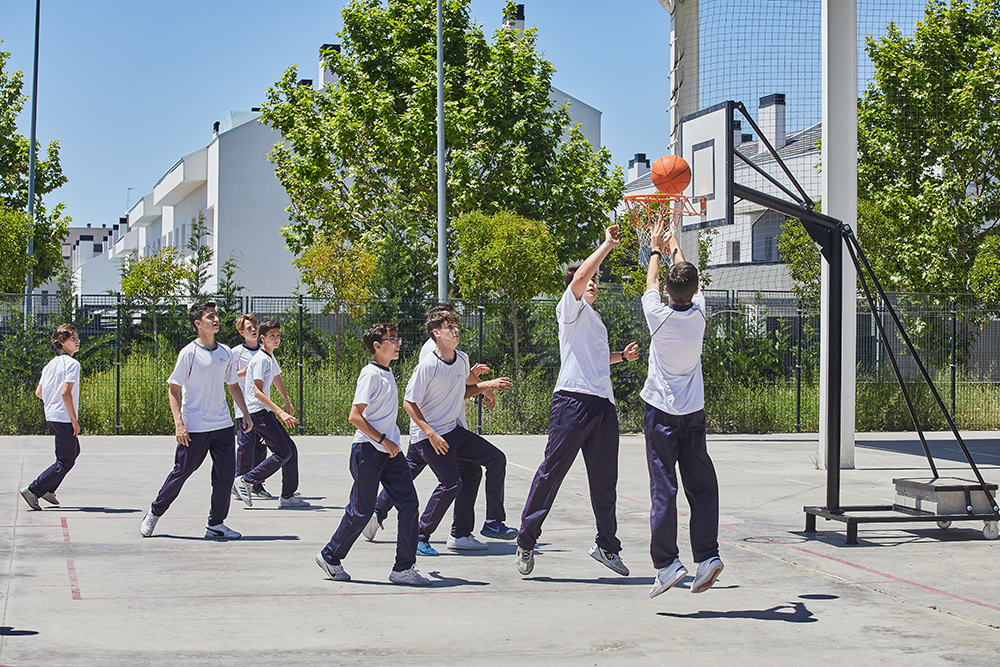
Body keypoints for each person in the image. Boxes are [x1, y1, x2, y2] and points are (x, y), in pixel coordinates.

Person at [516, 224, 640, 577]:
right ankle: (526, 540)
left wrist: (622, 358)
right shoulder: (568, 309)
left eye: (596, 283)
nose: (593, 284)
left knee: (605, 480)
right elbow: (583, 273)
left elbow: (596, 360)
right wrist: (607, 246)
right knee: (552, 472)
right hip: (572, 401)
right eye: (588, 281)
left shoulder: (595, 320)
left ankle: (606, 546)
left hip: (602, 404)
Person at [365, 303, 516, 544]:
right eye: (449, 326)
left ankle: (473, 528)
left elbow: (461, 382)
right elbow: (411, 400)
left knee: (470, 468)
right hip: (429, 431)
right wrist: (430, 432)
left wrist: (484, 385)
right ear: (436, 330)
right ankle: (425, 534)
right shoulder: (429, 357)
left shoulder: (460, 357)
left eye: (456, 326)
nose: (455, 330)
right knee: (451, 481)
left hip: (450, 428)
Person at [642, 223, 723, 597]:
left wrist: (656, 248)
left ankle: (668, 564)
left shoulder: (658, 316)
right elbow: (684, 277)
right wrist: (675, 243)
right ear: (694, 290)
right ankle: (707, 557)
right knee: (702, 486)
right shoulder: (701, 312)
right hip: (693, 413)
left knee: (665, 489)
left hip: (661, 412)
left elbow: (652, 285)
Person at [316, 323, 431, 586]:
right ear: (377, 346)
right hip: (368, 450)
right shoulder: (370, 374)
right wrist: (382, 440)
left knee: (409, 504)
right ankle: (330, 556)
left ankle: (403, 568)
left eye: (397, 337)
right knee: (361, 512)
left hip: (390, 453)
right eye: (392, 339)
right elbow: (354, 416)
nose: (398, 342)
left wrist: (391, 443)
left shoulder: (387, 373)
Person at [140, 302, 252, 539]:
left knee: (224, 478)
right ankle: (154, 512)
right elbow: (173, 389)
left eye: (216, 315)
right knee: (181, 472)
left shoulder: (225, 353)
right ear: (198, 324)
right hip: (195, 427)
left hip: (222, 425)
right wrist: (179, 423)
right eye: (210, 316)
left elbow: (233, 385)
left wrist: (245, 413)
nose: (216, 319)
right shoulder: (189, 353)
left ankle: (215, 524)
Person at [233, 319, 309, 508]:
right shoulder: (259, 359)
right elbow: (256, 392)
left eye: (278, 335)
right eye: (272, 336)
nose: (276, 339)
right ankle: (246, 480)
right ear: (263, 338)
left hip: (264, 412)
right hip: (258, 412)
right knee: (282, 452)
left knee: (290, 449)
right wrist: (281, 412)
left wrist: (286, 399)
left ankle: (288, 496)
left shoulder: (268, 357)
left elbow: (276, 377)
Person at [20, 324, 82, 511]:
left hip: (52, 415)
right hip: (63, 417)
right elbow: (66, 393)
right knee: (65, 460)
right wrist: (74, 419)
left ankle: (49, 489)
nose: (78, 341)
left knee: (73, 452)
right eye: (73, 339)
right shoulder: (72, 364)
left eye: (77, 337)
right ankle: (34, 489)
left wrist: (52, 403)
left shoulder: (49, 365)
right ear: (62, 342)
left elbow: (39, 392)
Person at [229, 314, 272, 500]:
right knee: (246, 446)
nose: (253, 329)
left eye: (254, 326)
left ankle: (256, 483)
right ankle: (238, 483)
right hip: (245, 407)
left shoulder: (265, 351)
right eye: (249, 328)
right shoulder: (236, 353)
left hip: (261, 407)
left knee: (262, 447)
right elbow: (228, 377)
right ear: (241, 332)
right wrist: (243, 373)